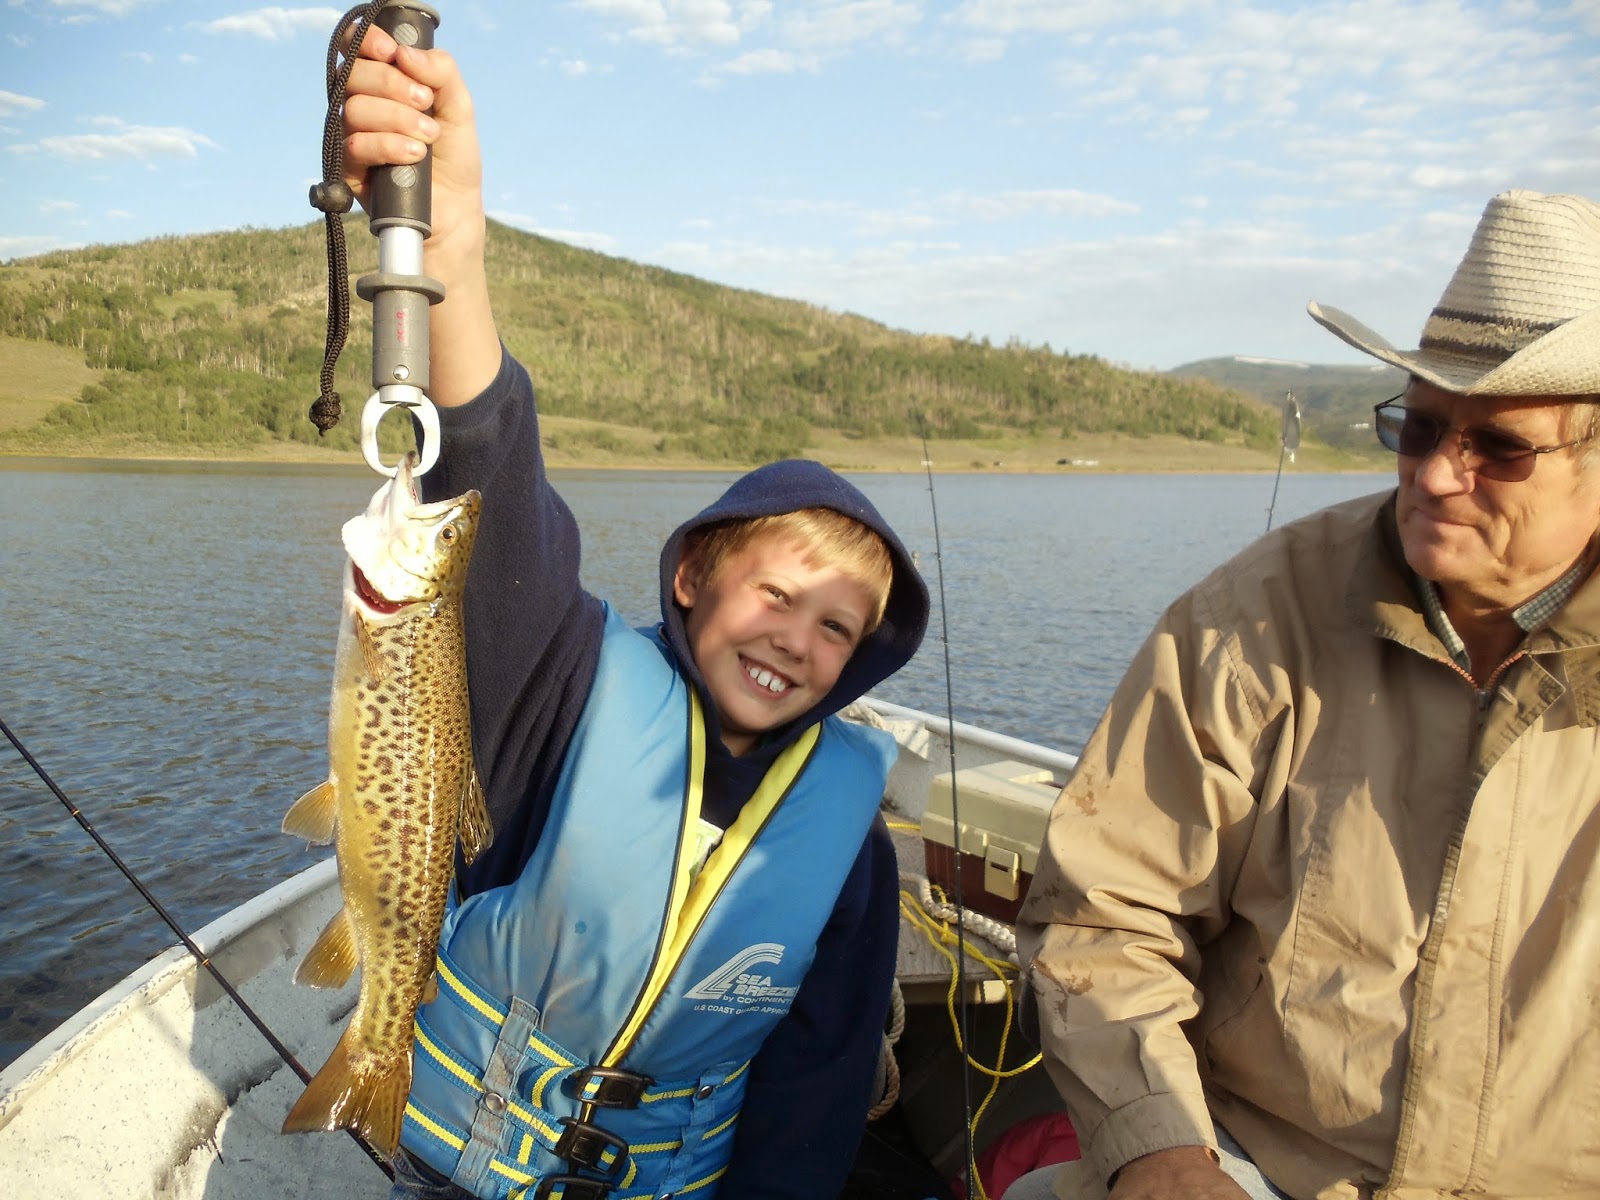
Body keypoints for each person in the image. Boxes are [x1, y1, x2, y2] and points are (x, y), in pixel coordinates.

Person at [335, 25, 930, 1200]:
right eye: (775, 592)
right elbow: (494, 488)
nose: (793, 641)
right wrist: (449, 235)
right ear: (691, 577)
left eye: (836, 629)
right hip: (456, 1165)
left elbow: (815, 1088)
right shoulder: (564, 685)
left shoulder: (850, 846)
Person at [1009, 188, 1600, 1200]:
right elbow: (1102, 916)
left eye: (1495, 447)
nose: (1437, 476)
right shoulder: (1251, 617)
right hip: (1265, 1169)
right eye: (1417, 430)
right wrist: (1161, 1155)